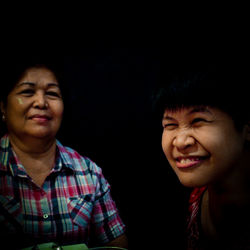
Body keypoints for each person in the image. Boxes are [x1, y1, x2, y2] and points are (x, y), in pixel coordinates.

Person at [0, 56, 128, 249]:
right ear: (3, 107)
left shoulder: (89, 172)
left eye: (52, 94)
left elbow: (118, 247)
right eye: (27, 92)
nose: (41, 102)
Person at [154, 62, 250, 249]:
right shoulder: (180, 207)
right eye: (170, 125)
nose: (180, 142)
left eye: (198, 120)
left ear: (246, 128)